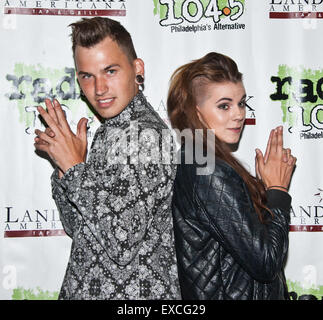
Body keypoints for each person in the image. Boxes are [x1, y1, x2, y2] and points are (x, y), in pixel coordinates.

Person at [34, 17, 180, 300]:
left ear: (137, 69)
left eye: (110, 71)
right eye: (87, 76)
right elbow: (78, 229)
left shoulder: (146, 136)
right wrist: (66, 169)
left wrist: (76, 169)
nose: (98, 88)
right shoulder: (110, 132)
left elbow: (121, 242)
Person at [167, 52, 297, 300]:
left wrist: (263, 187)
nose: (239, 114)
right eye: (224, 106)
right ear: (196, 112)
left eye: (241, 103)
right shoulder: (207, 169)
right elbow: (266, 262)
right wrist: (277, 191)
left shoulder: (199, 158)